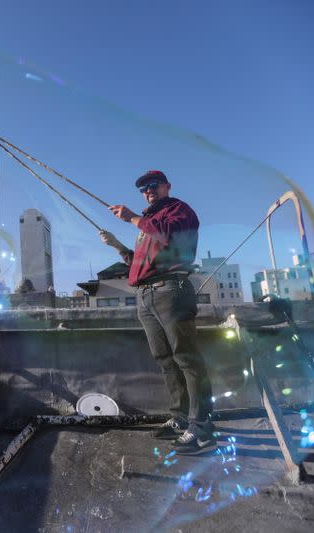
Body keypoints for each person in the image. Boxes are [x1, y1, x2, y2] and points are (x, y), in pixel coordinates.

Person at [100, 170, 215, 454]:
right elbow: (140, 263)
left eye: (153, 185)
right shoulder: (147, 224)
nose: (148, 190)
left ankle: (202, 428)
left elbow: (167, 235)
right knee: (165, 359)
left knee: (186, 358)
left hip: (171, 291)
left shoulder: (180, 211)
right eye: (143, 188)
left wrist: (132, 219)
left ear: (167, 186)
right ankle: (179, 417)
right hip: (146, 295)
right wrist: (116, 244)